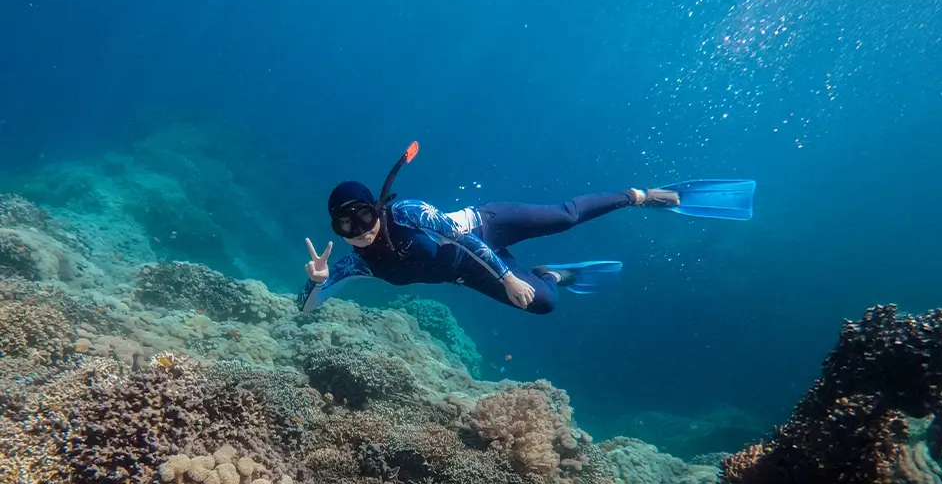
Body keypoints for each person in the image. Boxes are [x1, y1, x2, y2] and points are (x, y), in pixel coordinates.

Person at [298, 142, 756, 315]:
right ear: (336, 229)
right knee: (544, 305)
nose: (359, 230)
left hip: (486, 228)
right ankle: (554, 273)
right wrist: (313, 282)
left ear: (378, 208)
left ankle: (638, 196)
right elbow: (305, 310)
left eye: (363, 216)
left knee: (566, 216)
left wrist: (508, 276)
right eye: (345, 223)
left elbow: (464, 238)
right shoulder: (356, 263)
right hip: (470, 271)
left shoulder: (409, 213)